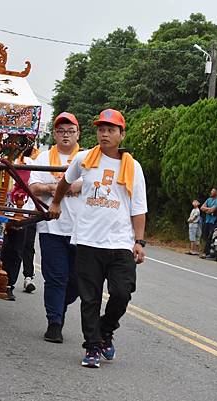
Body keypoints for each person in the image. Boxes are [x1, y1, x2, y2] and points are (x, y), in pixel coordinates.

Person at [48, 109, 147, 368]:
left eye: (111, 129)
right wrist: (56, 202)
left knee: (122, 293)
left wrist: (139, 241)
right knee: (89, 298)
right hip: (88, 241)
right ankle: (92, 346)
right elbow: (65, 182)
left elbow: (139, 208)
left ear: (121, 134)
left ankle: (105, 330)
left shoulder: (133, 167)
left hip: (120, 243)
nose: (105, 133)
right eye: (101, 129)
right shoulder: (84, 159)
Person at [29, 112, 83, 343]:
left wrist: (53, 187)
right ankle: (54, 322)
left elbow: (86, 184)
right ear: (54, 134)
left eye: (70, 131)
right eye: (61, 131)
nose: (65, 135)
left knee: (79, 281)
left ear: (78, 133)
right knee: (55, 278)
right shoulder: (44, 157)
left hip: (81, 230)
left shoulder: (87, 158)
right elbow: (33, 187)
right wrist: (58, 188)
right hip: (51, 228)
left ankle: (59, 306)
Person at [0, 146, 39, 301]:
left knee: (20, 249)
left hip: (27, 211)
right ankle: (5, 280)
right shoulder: (10, 157)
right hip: (8, 208)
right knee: (9, 248)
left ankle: (12, 283)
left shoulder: (33, 160)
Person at [200, 188, 217, 258]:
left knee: (211, 237)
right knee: (205, 236)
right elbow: (202, 207)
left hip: (213, 221)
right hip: (207, 221)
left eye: (212, 191)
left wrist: (207, 209)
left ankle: (207, 253)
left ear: (216, 192)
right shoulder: (208, 199)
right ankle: (208, 251)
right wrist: (208, 209)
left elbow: (212, 210)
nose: (211, 192)